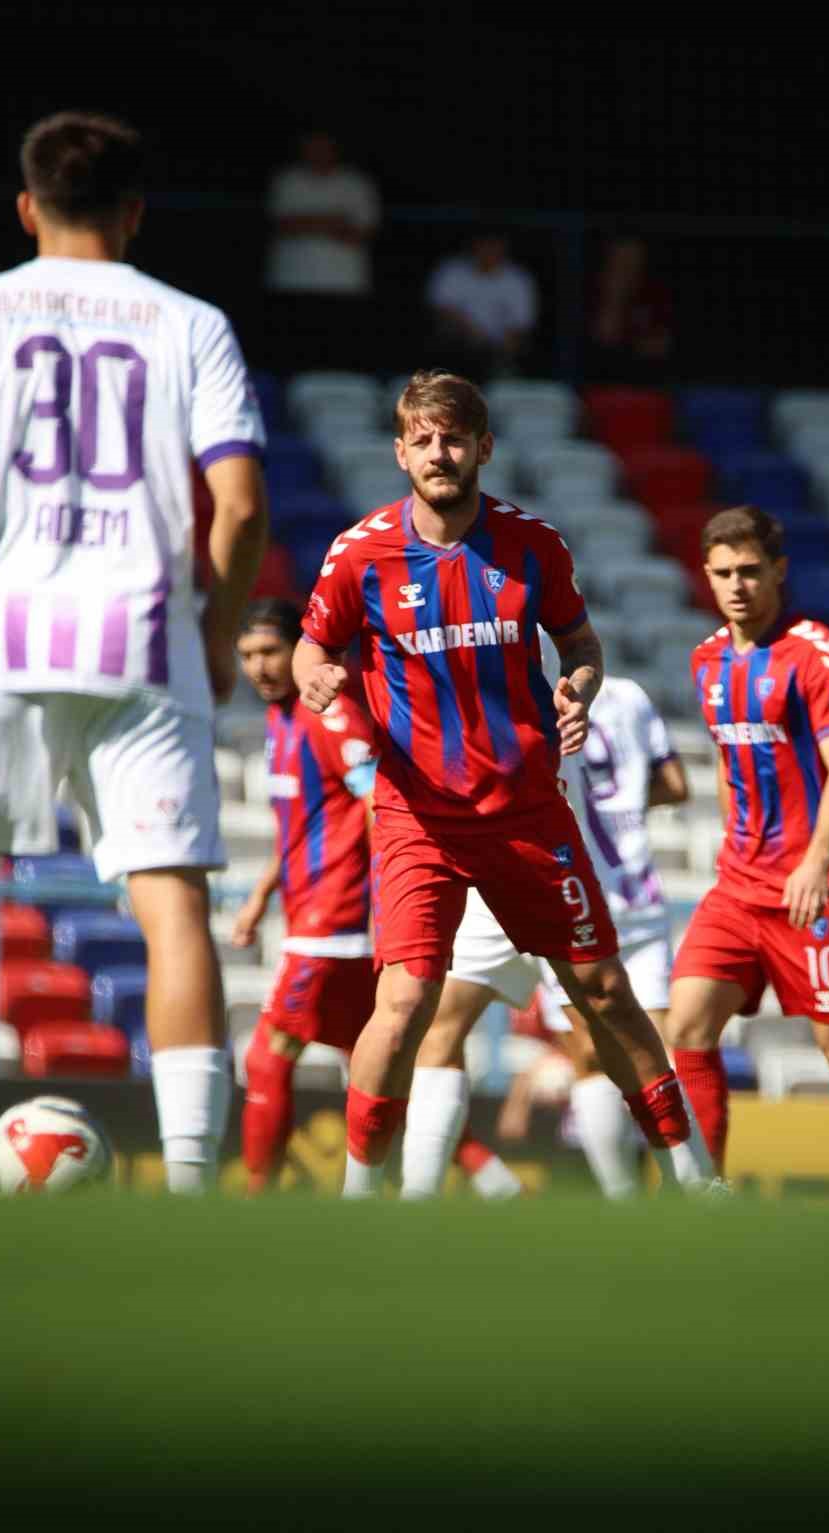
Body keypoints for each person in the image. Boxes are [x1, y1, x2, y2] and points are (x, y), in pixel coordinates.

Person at [293, 368, 698, 1198]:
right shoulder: (360, 553)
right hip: (419, 818)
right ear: (400, 452)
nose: (438, 453)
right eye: (423, 439)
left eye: (454, 438)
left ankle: (693, 1180)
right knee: (405, 1005)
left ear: (484, 447)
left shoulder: (532, 545)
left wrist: (578, 689)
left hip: (526, 813)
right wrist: (315, 676)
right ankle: (356, 1200)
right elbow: (312, 646)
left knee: (604, 993)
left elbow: (581, 645)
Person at [0, 110, 269, 1193]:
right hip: (144, 637)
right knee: (172, 905)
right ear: (136, 212)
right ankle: (191, 1180)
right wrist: (216, 630)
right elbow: (241, 506)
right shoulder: (192, 323)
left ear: (26, 207)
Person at [232, 597, 520, 1198]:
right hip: (317, 915)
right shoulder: (281, 719)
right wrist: (261, 896)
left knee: (268, 1054)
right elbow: (305, 823)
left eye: (270, 652)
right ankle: (494, 1181)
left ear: (299, 651)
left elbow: (376, 806)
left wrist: (385, 903)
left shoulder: (331, 717)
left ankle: (257, 1201)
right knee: (381, 1070)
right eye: (248, 655)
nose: (259, 667)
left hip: (337, 920)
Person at [409, 665, 718, 1201]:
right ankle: (692, 1187)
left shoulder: (504, 681)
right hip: (617, 883)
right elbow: (675, 784)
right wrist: (614, 805)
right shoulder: (629, 695)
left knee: (439, 1029)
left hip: (530, 869)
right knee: (638, 1047)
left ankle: (415, 1201)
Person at [667, 506, 829, 1199]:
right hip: (738, 889)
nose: (736, 586)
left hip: (815, 891)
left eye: (749, 571)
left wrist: (816, 863)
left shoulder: (811, 650)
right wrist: (734, 846)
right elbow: (726, 760)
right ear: (706, 576)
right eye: (723, 574)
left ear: (778, 571)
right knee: (688, 1023)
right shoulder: (706, 660)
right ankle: (705, 1198)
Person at [263, 129, 381, 375]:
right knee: (291, 354)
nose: (318, 152)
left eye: (324, 146)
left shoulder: (355, 183)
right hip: (292, 282)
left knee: (340, 355)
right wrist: (335, 220)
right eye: (312, 146)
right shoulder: (288, 180)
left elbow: (361, 232)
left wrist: (307, 221)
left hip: (344, 284)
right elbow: (283, 225)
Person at [425, 236, 538, 385]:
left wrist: (502, 350)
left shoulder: (518, 279)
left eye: (494, 245)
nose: (488, 251)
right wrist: (472, 330)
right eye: (484, 245)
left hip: (497, 351)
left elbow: (520, 326)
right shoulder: (452, 271)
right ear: (474, 246)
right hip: (456, 344)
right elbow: (441, 310)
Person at [585, 235, 674, 386]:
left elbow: (660, 348)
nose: (630, 273)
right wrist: (615, 298)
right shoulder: (590, 295)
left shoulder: (654, 296)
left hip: (647, 384)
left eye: (635, 266)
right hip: (598, 384)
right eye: (623, 266)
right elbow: (603, 340)